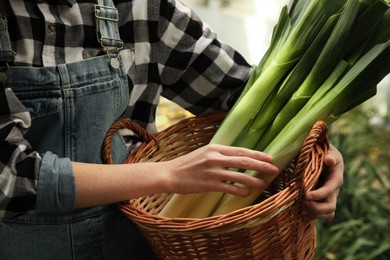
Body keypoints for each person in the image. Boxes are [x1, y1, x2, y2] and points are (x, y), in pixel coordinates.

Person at [0, 0, 344, 259]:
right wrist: (169, 174)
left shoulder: (144, 8)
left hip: (139, 247)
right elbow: (10, 180)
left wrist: (316, 151)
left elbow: (245, 95)